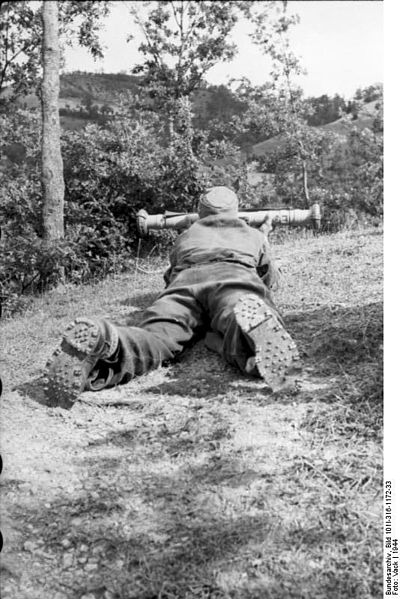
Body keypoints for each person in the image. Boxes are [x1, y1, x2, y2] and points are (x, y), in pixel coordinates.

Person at [45, 186, 300, 407]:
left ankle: (108, 340)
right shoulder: (253, 234)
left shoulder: (185, 237)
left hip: (184, 283)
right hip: (233, 276)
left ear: (201, 212)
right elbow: (270, 280)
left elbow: (169, 278)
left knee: (157, 337)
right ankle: (255, 339)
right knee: (238, 311)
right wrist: (264, 237)